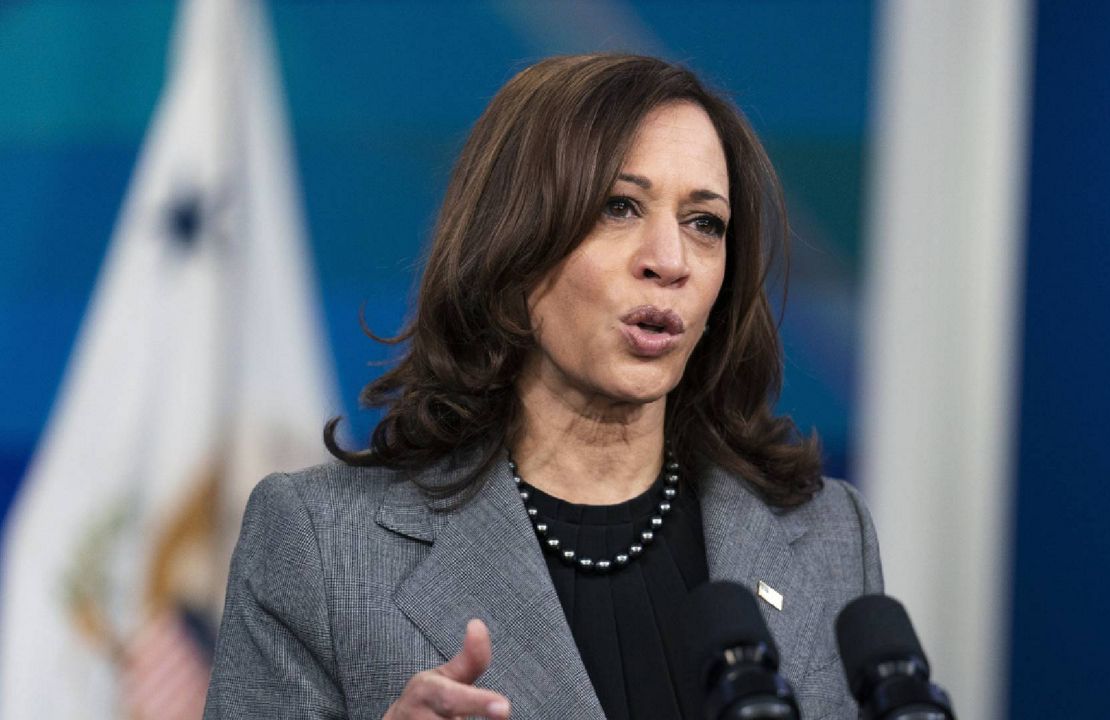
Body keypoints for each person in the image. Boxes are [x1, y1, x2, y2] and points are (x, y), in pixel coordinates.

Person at [204, 53, 882, 720]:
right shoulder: (321, 544)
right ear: (513, 240)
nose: (670, 261)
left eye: (704, 223)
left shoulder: (827, 537)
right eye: (619, 207)